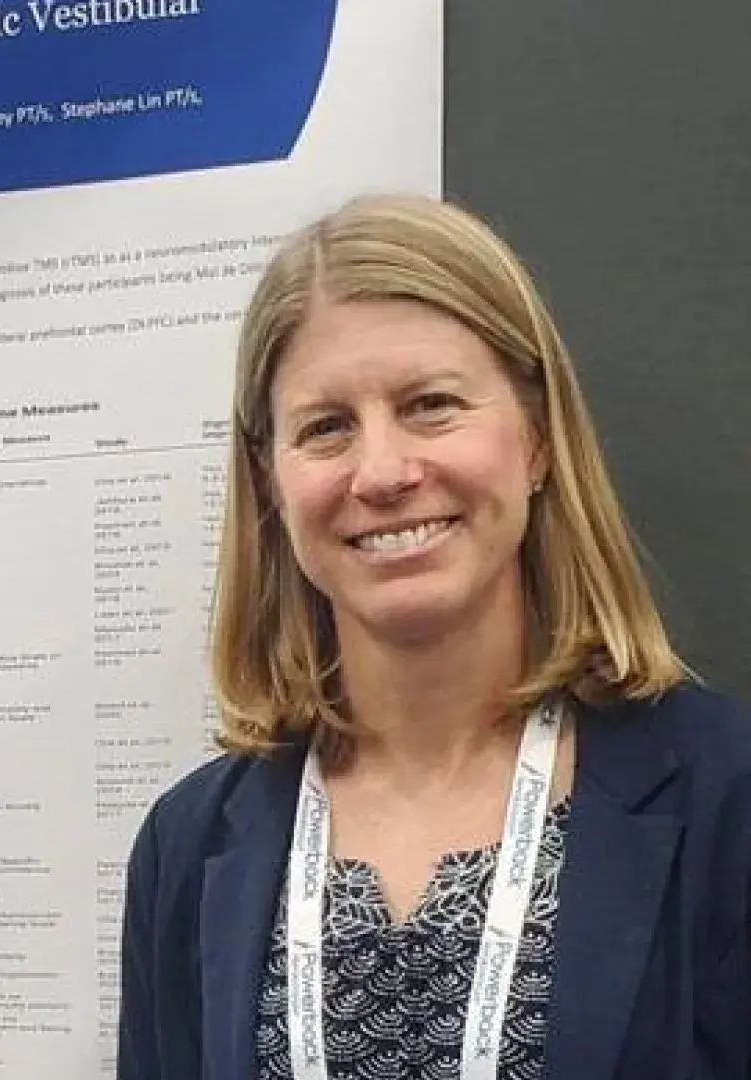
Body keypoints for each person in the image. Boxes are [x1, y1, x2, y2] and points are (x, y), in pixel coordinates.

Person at [116, 193, 750, 1079]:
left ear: (536, 439)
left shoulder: (727, 802)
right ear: (270, 480)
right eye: (325, 428)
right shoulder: (189, 847)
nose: (381, 472)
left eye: (431, 405)